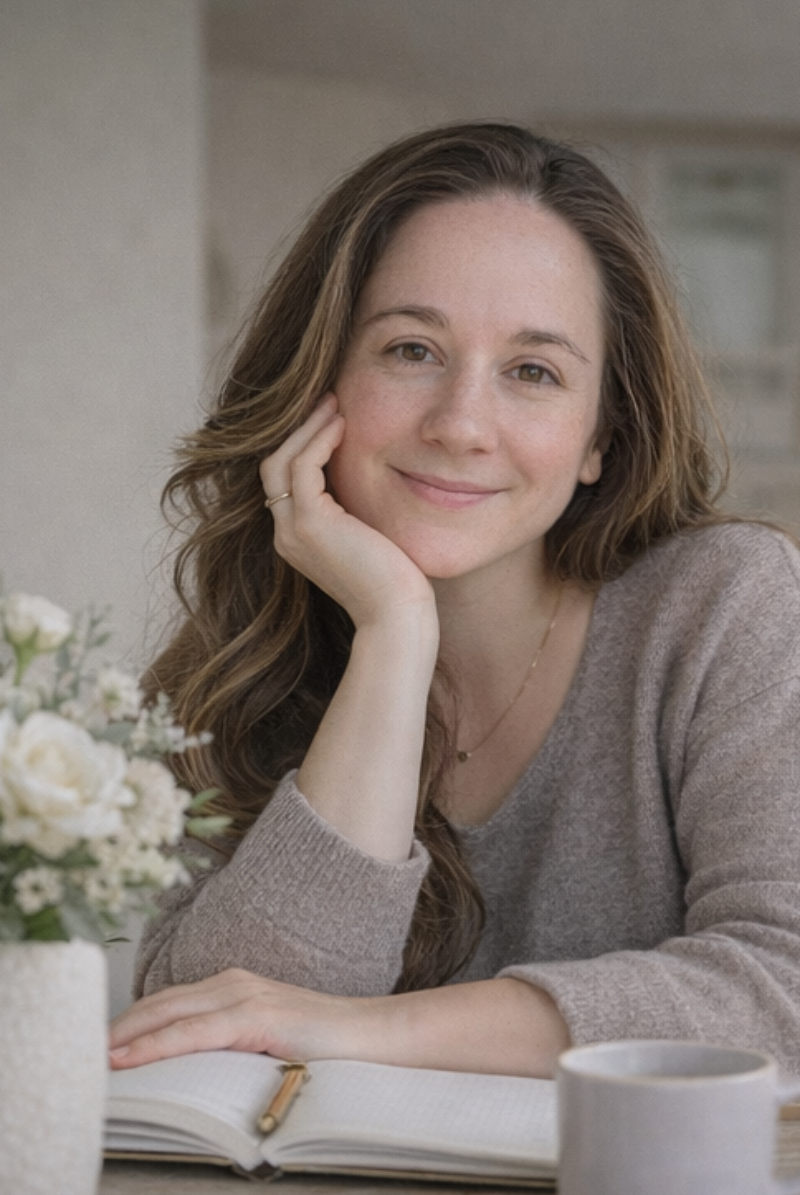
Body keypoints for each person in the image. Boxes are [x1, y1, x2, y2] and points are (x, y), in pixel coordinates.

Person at [108, 122, 800, 1079]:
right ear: (319, 381)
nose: (462, 424)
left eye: (533, 372)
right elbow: (214, 1027)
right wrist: (394, 636)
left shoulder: (723, 605)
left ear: (601, 434)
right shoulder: (243, 665)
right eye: (411, 350)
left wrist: (371, 1032)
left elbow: (782, 987)